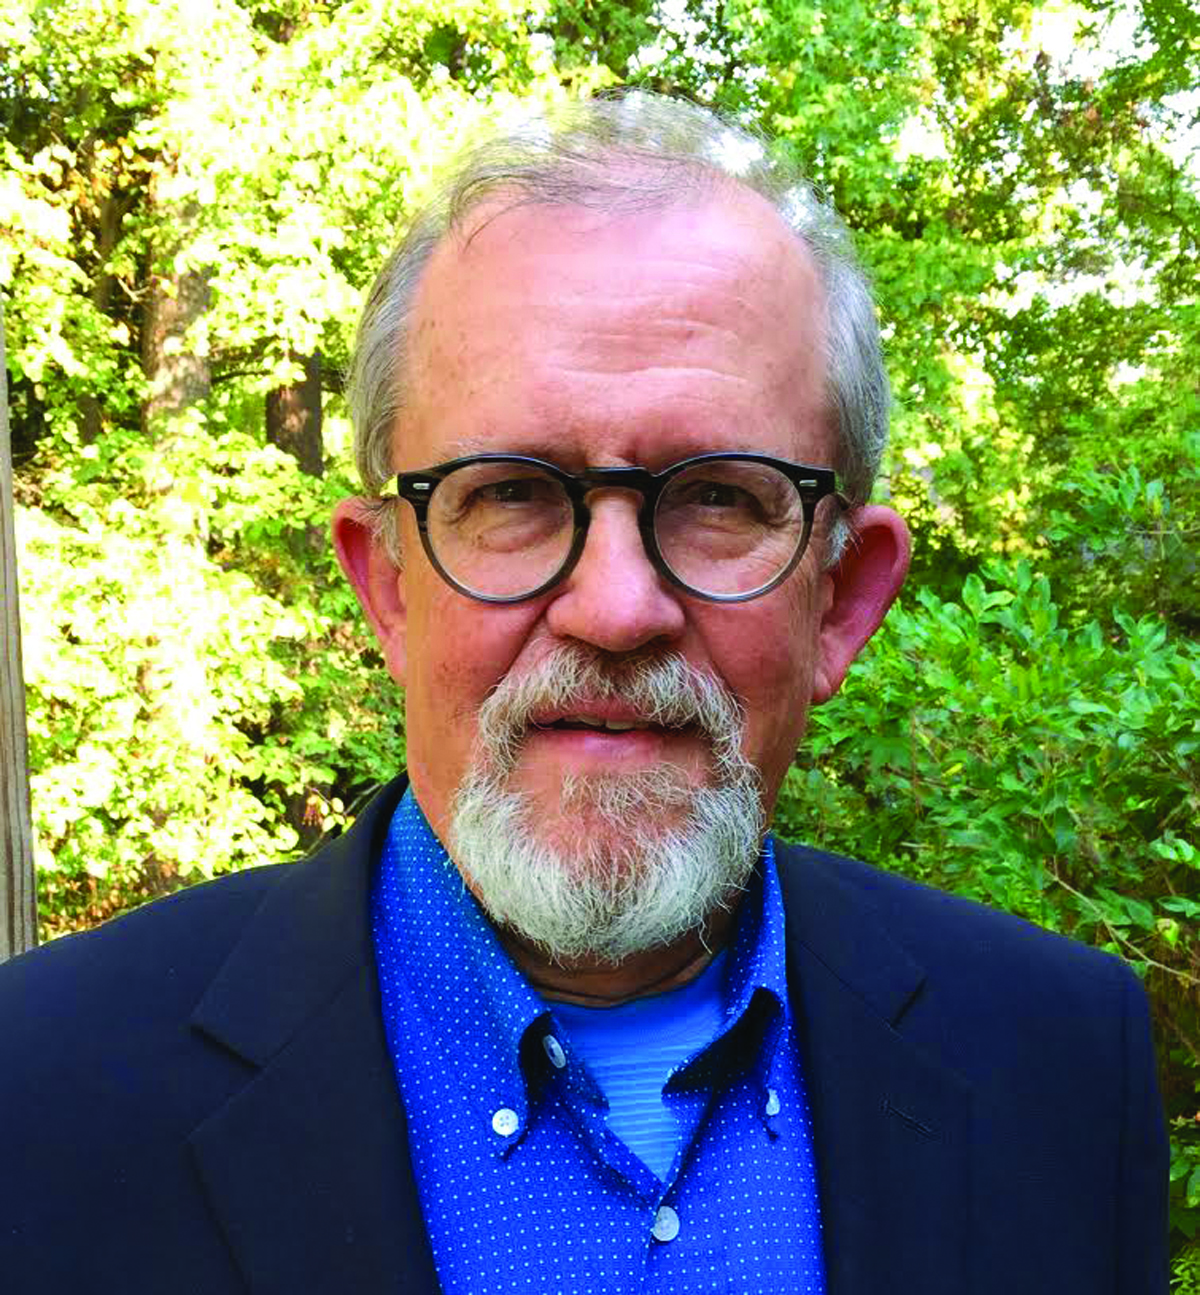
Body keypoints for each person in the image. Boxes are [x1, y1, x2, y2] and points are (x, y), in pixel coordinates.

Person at [0, 91, 1167, 1293]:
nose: (614, 608)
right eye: (510, 492)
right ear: (388, 586)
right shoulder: (35, 1090)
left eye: (720, 497)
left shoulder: (1065, 1065)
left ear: (843, 598)